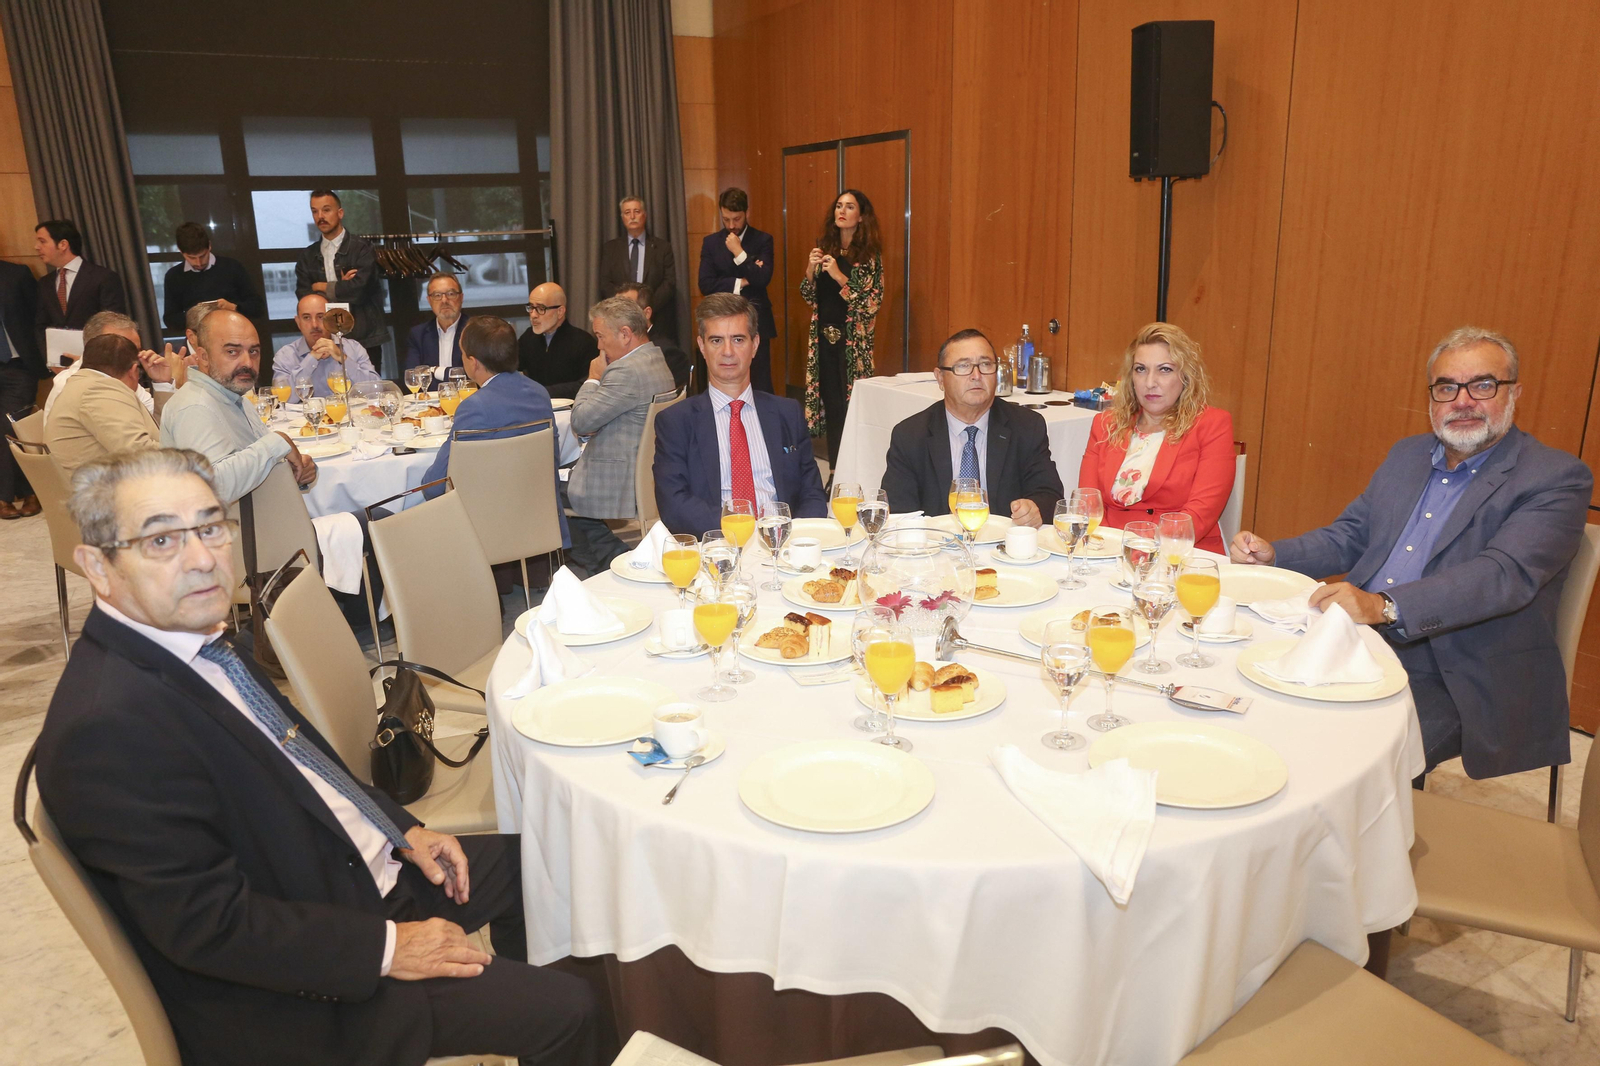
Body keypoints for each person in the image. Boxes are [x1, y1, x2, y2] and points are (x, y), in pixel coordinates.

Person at [33, 448, 601, 1066]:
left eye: (209, 527)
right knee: (572, 1013)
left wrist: (401, 827)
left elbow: (313, 770)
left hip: (353, 872)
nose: (202, 559)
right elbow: (208, 927)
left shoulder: (196, 640)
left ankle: (528, 994)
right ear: (97, 566)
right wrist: (389, 947)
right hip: (301, 988)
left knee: (556, 863)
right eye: (162, 540)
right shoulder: (109, 725)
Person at [1231, 327, 1591, 780]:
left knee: (1344, 766)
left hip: (1459, 669)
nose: (1462, 401)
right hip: (1360, 636)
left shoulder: (1556, 476)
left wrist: (1384, 606)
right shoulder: (1409, 455)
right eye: (1446, 387)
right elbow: (1352, 535)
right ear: (1432, 398)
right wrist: (1275, 554)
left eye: (1481, 385)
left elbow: (1503, 575)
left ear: (1514, 393)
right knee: (1253, 703)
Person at [653, 293, 827, 535]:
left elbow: (812, 493)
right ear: (702, 346)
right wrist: (743, 532)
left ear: (755, 345)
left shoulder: (787, 413)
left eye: (737, 339)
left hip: (784, 544)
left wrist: (794, 539)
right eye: (716, 340)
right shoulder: (676, 421)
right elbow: (674, 505)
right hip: (718, 546)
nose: (727, 351)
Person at [1077, 322, 1235, 553]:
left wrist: (1139, 550)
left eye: (1165, 369)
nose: (1150, 382)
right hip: (1107, 551)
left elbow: (1199, 515)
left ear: (1186, 376)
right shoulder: (1105, 424)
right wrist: (1110, 551)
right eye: (1141, 369)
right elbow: (1088, 504)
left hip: (1179, 554)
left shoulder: (1212, 425)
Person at [881, 329, 1062, 528]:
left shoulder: (1026, 427)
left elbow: (1050, 495)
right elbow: (898, 511)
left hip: (1004, 548)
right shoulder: (910, 435)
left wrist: (1033, 509)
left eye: (985, 365)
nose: (976, 375)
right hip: (937, 548)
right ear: (940, 378)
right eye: (963, 366)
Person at [563, 295, 675, 574]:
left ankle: (615, 560)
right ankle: (611, 559)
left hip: (614, 481)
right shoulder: (656, 358)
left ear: (625, 334)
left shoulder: (624, 371)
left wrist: (592, 377)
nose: (599, 346)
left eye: (601, 337)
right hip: (643, 472)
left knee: (543, 492)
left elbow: (581, 422)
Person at [160, 309, 318, 503]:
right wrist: (278, 441)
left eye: (253, 351)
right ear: (203, 357)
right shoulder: (195, 405)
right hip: (247, 532)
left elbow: (253, 470)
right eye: (232, 352)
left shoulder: (232, 396)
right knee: (362, 520)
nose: (247, 362)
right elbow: (212, 488)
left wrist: (298, 471)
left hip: (268, 521)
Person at [800, 189, 883, 463]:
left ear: (861, 217)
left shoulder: (869, 257)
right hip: (824, 339)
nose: (842, 211)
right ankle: (835, 470)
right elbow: (810, 297)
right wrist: (810, 272)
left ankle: (855, 469)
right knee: (832, 406)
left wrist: (838, 276)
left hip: (853, 347)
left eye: (849, 207)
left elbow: (870, 305)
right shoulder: (825, 249)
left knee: (851, 408)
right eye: (838, 206)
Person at [45, 334, 163, 478]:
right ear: (133, 371)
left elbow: (155, 431)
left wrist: (162, 383)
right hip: (108, 492)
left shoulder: (84, 384)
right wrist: (192, 451)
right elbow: (140, 455)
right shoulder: (99, 389)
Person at [293, 191, 389, 363]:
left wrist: (321, 287)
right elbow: (304, 297)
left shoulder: (362, 249)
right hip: (325, 337)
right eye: (315, 211)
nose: (320, 216)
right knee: (330, 387)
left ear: (340, 213)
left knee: (366, 387)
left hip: (364, 336)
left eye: (326, 210)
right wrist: (341, 286)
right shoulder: (307, 256)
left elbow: (359, 291)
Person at [697, 188, 776, 391]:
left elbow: (762, 278)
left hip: (756, 321)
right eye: (726, 219)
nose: (731, 225)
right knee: (725, 382)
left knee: (760, 384)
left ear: (746, 214)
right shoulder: (711, 243)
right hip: (720, 322)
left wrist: (739, 253)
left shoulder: (763, 240)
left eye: (737, 219)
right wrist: (741, 282)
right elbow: (705, 284)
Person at [45, 311, 185, 425]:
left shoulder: (120, 374)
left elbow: (158, 424)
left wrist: (162, 383)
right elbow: (138, 444)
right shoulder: (73, 384)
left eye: (135, 350)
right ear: (94, 347)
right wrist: (178, 381)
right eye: (121, 348)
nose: (133, 358)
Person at [34, 219, 127, 356]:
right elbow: (41, 325)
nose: (36, 247)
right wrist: (51, 358)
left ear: (63, 244)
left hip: (99, 358)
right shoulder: (45, 283)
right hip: (61, 362)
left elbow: (113, 322)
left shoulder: (103, 277)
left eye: (42, 241)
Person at [597, 195, 678, 346]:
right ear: (622, 217)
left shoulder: (662, 247)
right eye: (627, 213)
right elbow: (605, 282)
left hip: (655, 320)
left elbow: (669, 283)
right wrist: (624, 306)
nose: (632, 216)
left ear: (645, 215)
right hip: (619, 321)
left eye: (636, 211)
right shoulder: (611, 248)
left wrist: (646, 305)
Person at [161, 221, 265, 337]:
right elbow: (170, 320)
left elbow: (258, 307)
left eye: (202, 256)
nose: (199, 262)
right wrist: (194, 315)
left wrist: (234, 307)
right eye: (192, 258)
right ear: (181, 251)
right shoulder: (174, 276)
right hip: (198, 339)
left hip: (235, 334)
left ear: (209, 246)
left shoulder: (232, 267)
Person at [274, 293, 382, 398]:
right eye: (306, 317)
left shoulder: (353, 348)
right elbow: (283, 399)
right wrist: (311, 359)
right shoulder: (285, 355)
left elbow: (376, 390)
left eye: (321, 317)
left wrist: (343, 359)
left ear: (331, 319)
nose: (314, 325)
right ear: (298, 322)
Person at [0, 257, 41, 519]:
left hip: (17, 365)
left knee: (12, 425)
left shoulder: (16, 274)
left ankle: (32, 491)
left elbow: (37, 317)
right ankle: (10, 495)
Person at [518, 282, 596, 400]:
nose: (533, 315)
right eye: (531, 307)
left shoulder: (584, 342)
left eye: (540, 308)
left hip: (571, 410)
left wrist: (541, 391)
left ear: (560, 311)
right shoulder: (528, 337)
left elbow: (587, 384)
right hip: (536, 407)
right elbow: (509, 366)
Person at [614, 281, 690, 393]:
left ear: (647, 313)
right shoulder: (609, 345)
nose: (617, 316)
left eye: (625, 310)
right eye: (614, 310)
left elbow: (672, 399)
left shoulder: (668, 352)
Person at [404, 272, 470, 384]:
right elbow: (413, 377)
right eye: (437, 295)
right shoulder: (418, 334)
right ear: (429, 300)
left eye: (450, 294)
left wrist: (434, 370)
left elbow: (477, 375)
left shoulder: (476, 331)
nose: (444, 300)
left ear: (461, 297)